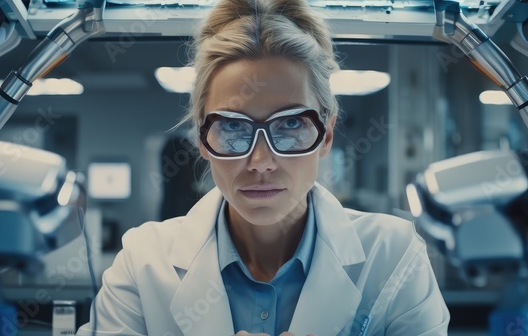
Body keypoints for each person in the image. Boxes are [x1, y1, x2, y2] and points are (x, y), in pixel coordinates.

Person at [77, 0, 450, 334]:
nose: (260, 162)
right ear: (203, 140)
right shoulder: (143, 263)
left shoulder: (394, 256)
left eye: (290, 125)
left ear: (327, 135)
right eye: (233, 127)